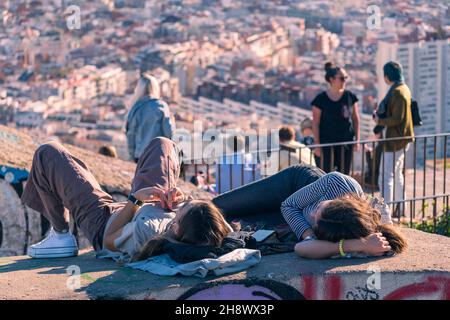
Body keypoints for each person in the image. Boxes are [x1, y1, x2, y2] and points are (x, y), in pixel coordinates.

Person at [21, 137, 231, 260]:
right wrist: (180, 198)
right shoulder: (195, 227)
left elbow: (108, 240)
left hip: (105, 222)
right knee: (163, 144)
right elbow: (224, 229)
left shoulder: (147, 231)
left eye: (183, 208)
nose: (183, 203)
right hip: (148, 207)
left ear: (176, 228)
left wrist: (135, 201)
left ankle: (60, 235)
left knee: (48, 153)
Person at [213, 166, 406, 259]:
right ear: (342, 201)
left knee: (223, 223)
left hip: (292, 218)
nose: (313, 214)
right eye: (319, 208)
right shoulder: (336, 182)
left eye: (316, 220)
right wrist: (308, 233)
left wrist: (357, 244)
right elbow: (289, 206)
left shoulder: (347, 231)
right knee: (218, 206)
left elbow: (302, 248)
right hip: (292, 188)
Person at [373, 61, 414, 213]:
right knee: (397, 175)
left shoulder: (397, 92)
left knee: (385, 176)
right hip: (402, 137)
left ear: (387, 76)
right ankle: (401, 208)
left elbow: (397, 118)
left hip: (395, 139)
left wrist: (379, 121)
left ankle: (385, 212)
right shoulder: (404, 88)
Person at [311, 62, 360, 174]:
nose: (345, 81)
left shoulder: (350, 97)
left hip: (345, 143)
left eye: (346, 78)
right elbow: (315, 123)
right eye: (342, 78)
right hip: (326, 144)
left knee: (344, 175)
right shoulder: (320, 99)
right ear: (332, 79)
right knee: (325, 175)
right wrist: (317, 145)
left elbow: (355, 119)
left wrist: (357, 140)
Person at [126, 73, 175, 163]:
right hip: (158, 154)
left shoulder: (135, 108)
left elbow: (131, 134)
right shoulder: (162, 106)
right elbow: (169, 133)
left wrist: (131, 155)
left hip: (140, 155)